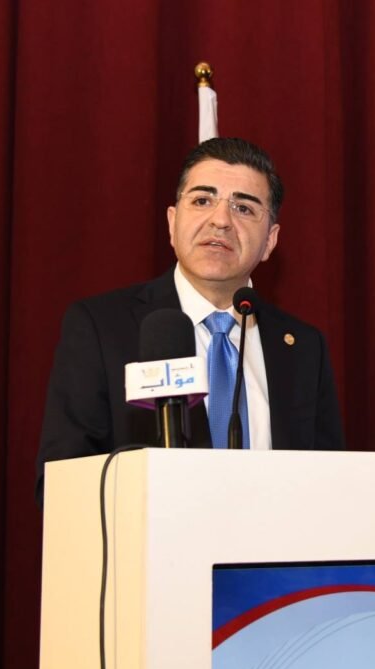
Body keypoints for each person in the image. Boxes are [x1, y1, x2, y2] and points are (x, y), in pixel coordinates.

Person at [35, 137, 344, 502]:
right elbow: (62, 485)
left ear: (270, 241)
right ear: (172, 222)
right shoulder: (101, 328)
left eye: (244, 208)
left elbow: (331, 487)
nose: (221, 220)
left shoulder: (303, 347)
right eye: (202, 201)